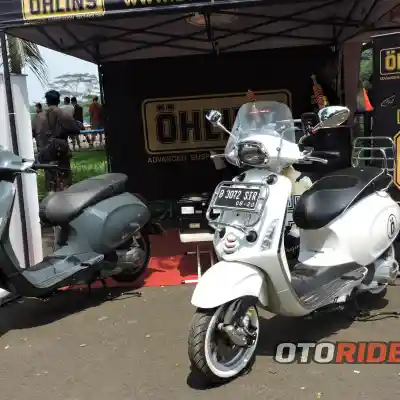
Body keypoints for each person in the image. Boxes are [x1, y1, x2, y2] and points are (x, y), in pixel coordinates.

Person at [34, 90, 80, 192]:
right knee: (64, 184)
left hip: (46, 154)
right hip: (60, 153)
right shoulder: (62, 113)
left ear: (47, 101)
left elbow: (33, 132)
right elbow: (76, 129)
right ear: (58, 101)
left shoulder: (38, 117)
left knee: (51, 184)